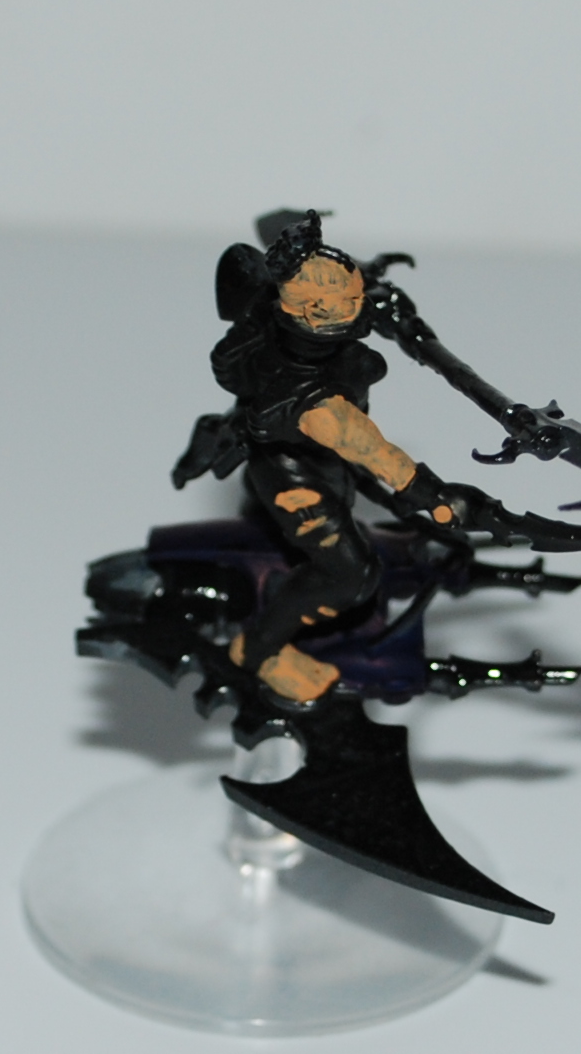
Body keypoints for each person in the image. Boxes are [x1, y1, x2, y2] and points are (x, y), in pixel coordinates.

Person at [180, 211, 535, 706]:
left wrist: (369, 280)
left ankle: (265, 559)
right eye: (345, 303)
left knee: (304, 516)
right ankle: (258, 650)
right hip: (293, 474)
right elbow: (371, 449)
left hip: (306, 457)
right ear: (306, 315)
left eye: (354, 295)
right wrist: (438, 499)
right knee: (351, 574)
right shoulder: (310, 398)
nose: (355, 305)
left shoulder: (291, 308)